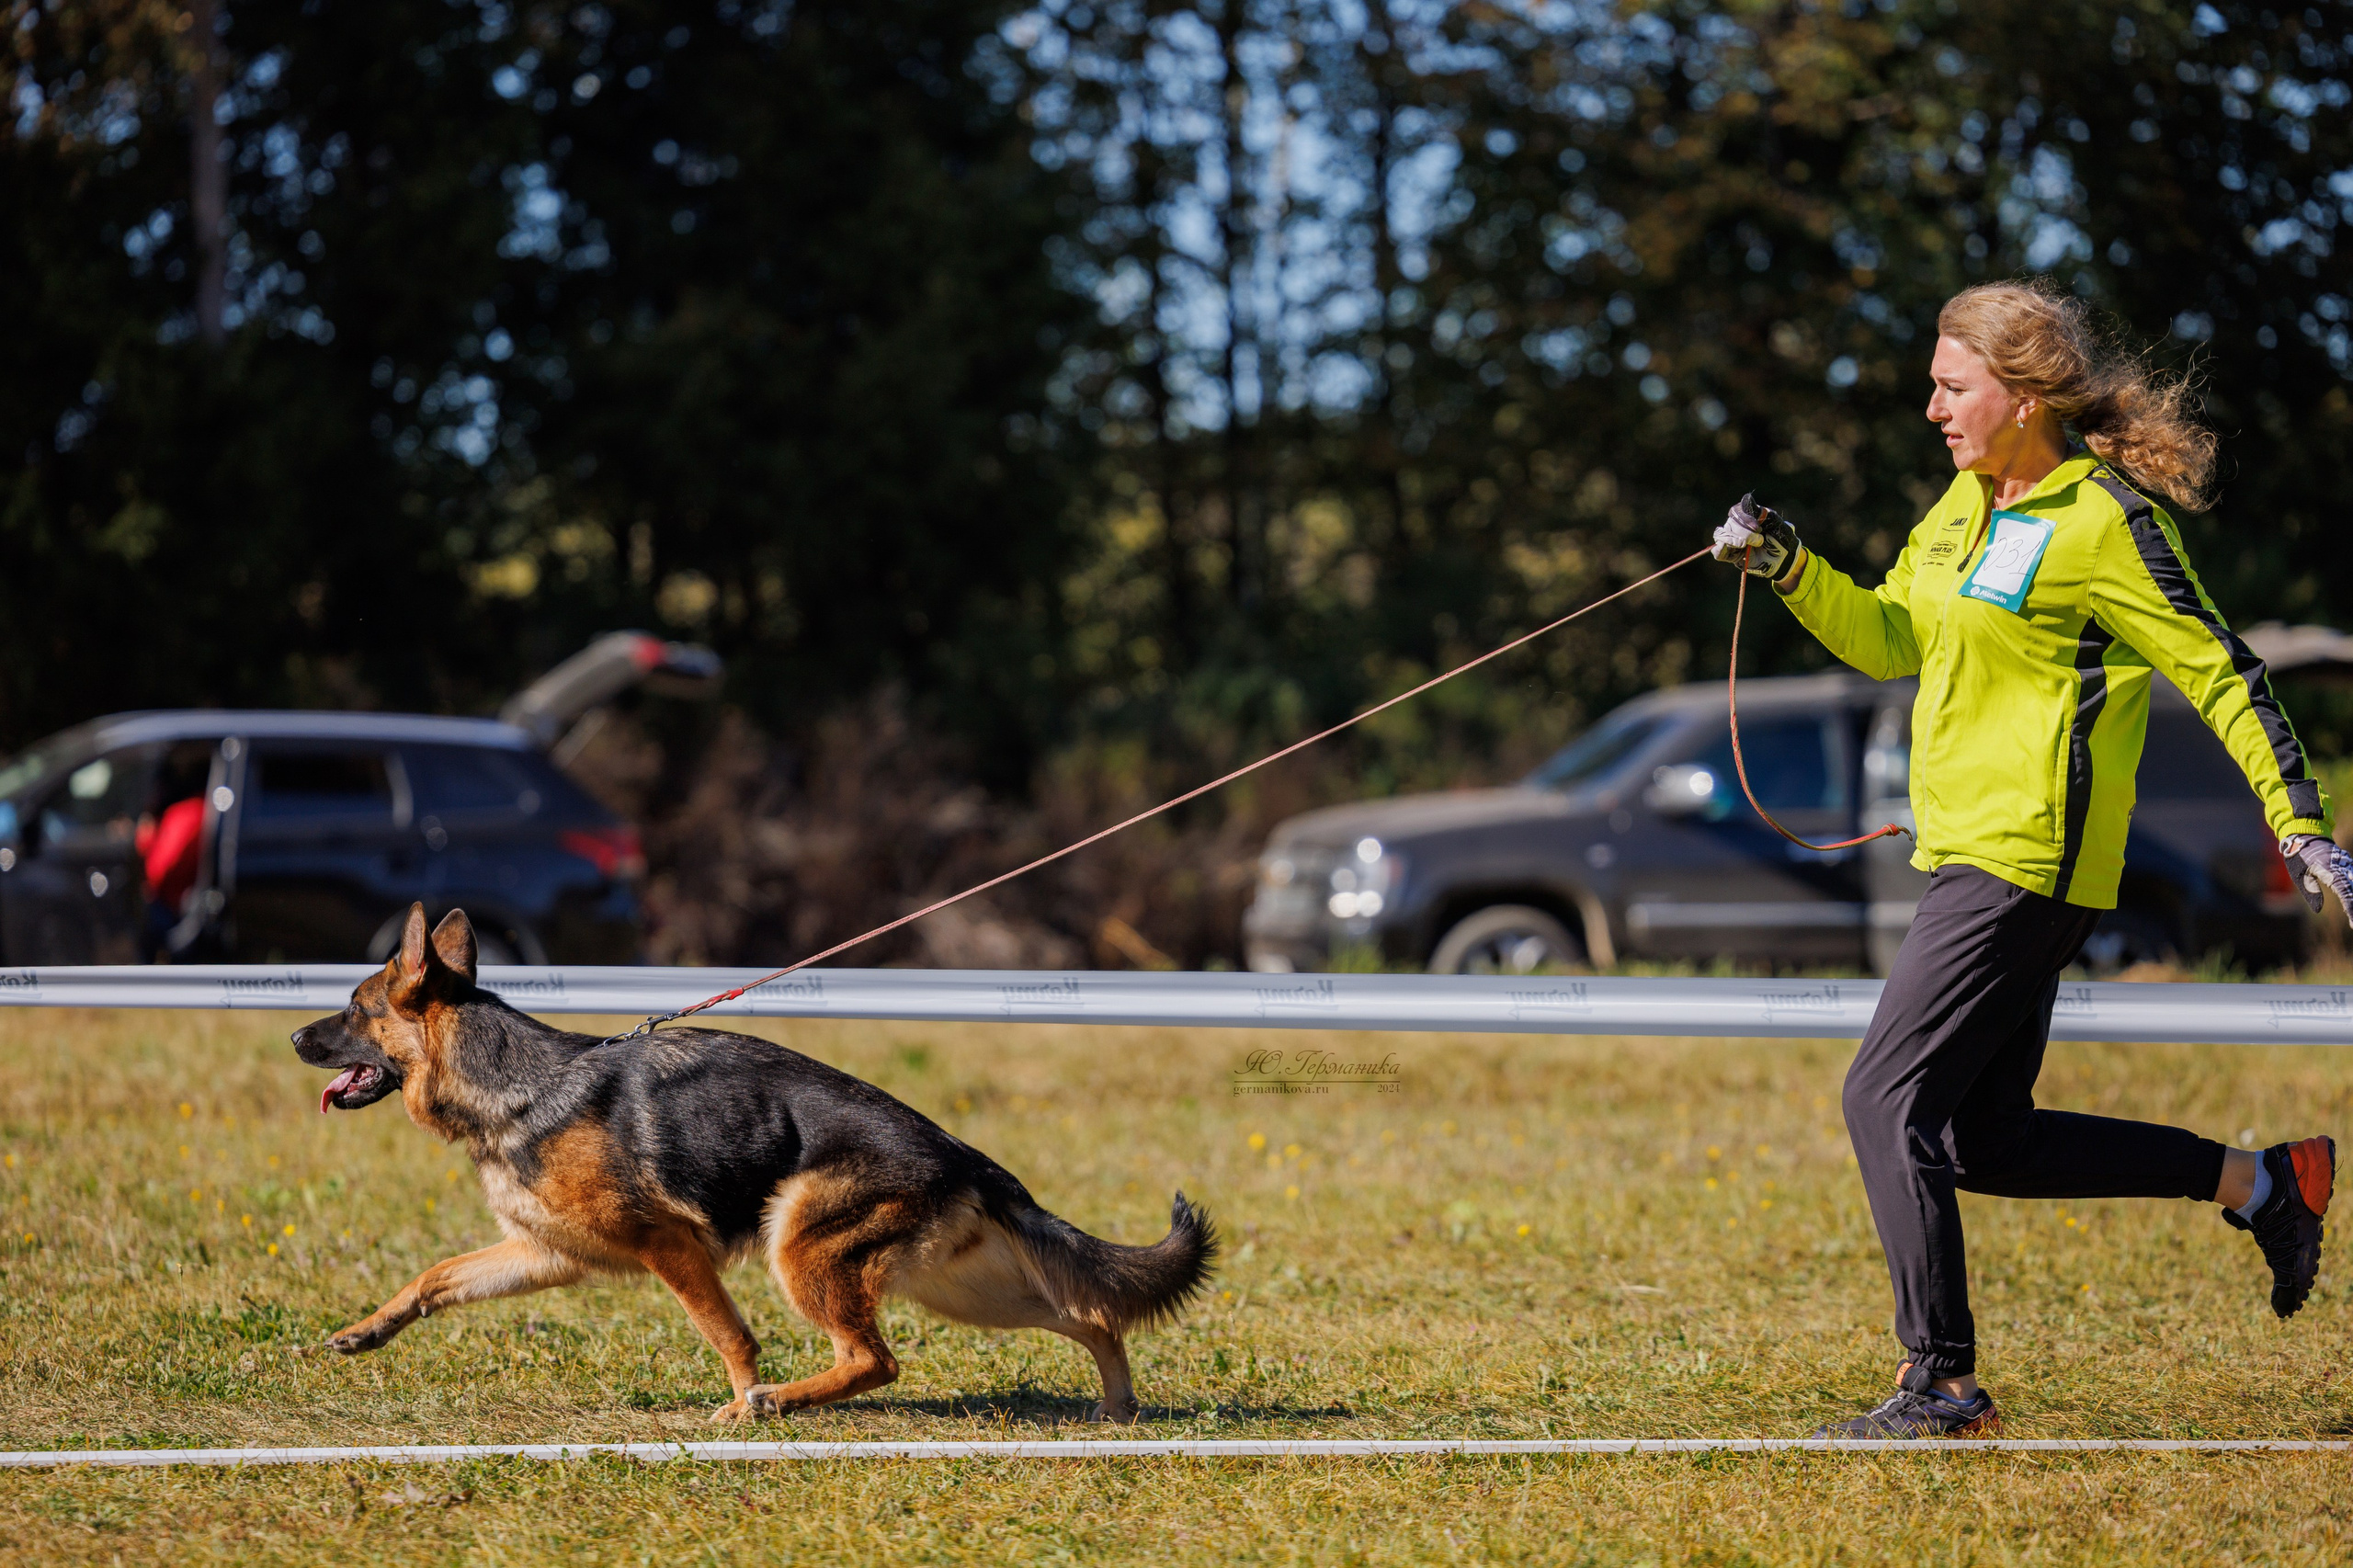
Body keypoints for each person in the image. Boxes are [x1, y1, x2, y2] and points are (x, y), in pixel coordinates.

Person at [1711, 278, 2353, 1438]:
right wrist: (1790, 566)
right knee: (1976, 1135)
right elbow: (1891, 636)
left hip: (2027, 863)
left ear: (2021, 394)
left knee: (1880, 1095)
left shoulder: (2099, 520)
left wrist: (2297, 816)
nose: (1932, 409)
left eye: (1951, 387)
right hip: (1971, 854)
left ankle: (1941, 1381)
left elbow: (2217, 665)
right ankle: (2266, 1182)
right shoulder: (1960, 508)